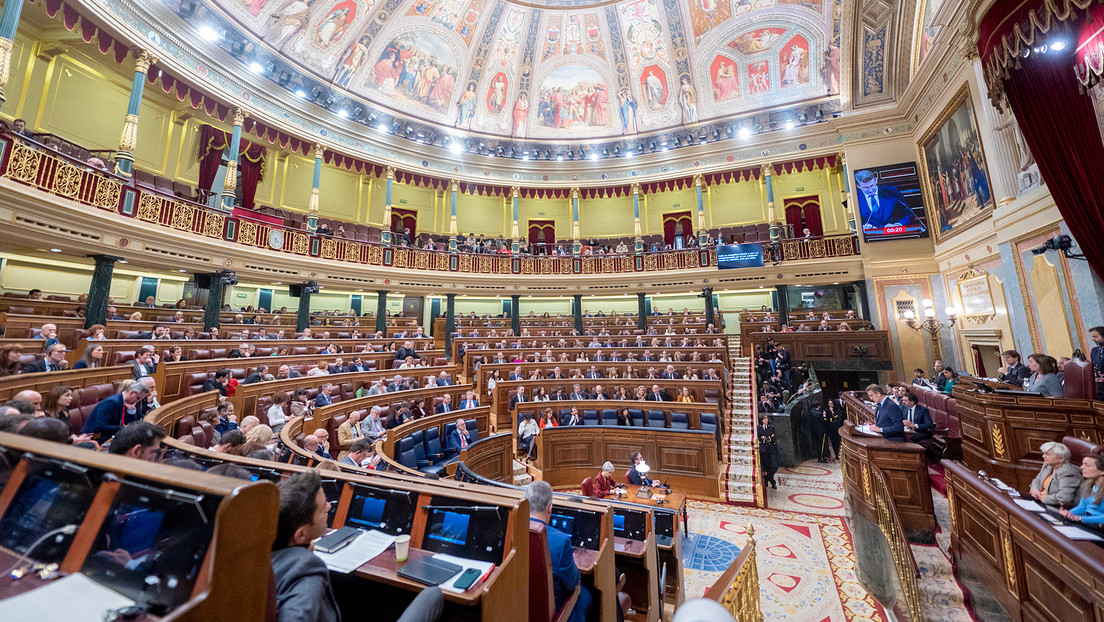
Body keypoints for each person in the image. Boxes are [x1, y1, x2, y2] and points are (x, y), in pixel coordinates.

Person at [526, 481, 591, 622]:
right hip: (554, 612)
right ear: (550, 508)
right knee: (587, 595)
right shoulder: (561, 542)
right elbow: (573, 583)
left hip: (521, 608)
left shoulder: (512, 530)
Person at [81, 378, 155, 440]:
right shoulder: (112, 402)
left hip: (113, 436)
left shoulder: (126, 402)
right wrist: (124, 428)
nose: (137, 401)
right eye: (138, 398)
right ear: (132, 393)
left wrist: (131, 411)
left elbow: (132, 424)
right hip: (95, 437)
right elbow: (99, 426)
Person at [1029, 441, 1083, 507]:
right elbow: (1037, 480)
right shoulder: (1048, 465)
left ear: (1061, 459)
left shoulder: (1067, 472)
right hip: (1042, 501)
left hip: (1060, 508)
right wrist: (1035, 490)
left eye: (1047, 454)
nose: (1043, 456)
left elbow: (1064, 498)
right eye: (1044, 453)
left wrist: (1042, 498)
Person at [1060, 455, 1104, 525]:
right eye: (1082, 464)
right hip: (1088, 524)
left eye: (1087, 465)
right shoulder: (1088, 485)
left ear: (1102, 471)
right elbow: (1082, 507)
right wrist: (1069, 514)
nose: (1081, 467)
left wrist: (1080, 518)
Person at [758, 413, 780, 489]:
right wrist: (769, 438)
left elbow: (774, 438)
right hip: (764, 450)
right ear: (761, 420)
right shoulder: (759, 428)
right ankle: (771, 480)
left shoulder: (771, 427)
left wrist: (766, 438)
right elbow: (760, 438)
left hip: (772, 449)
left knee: (775, 466)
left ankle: (767, 478)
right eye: (765, 419)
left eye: (767, 418)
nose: (766, 420)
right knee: (767, 466)